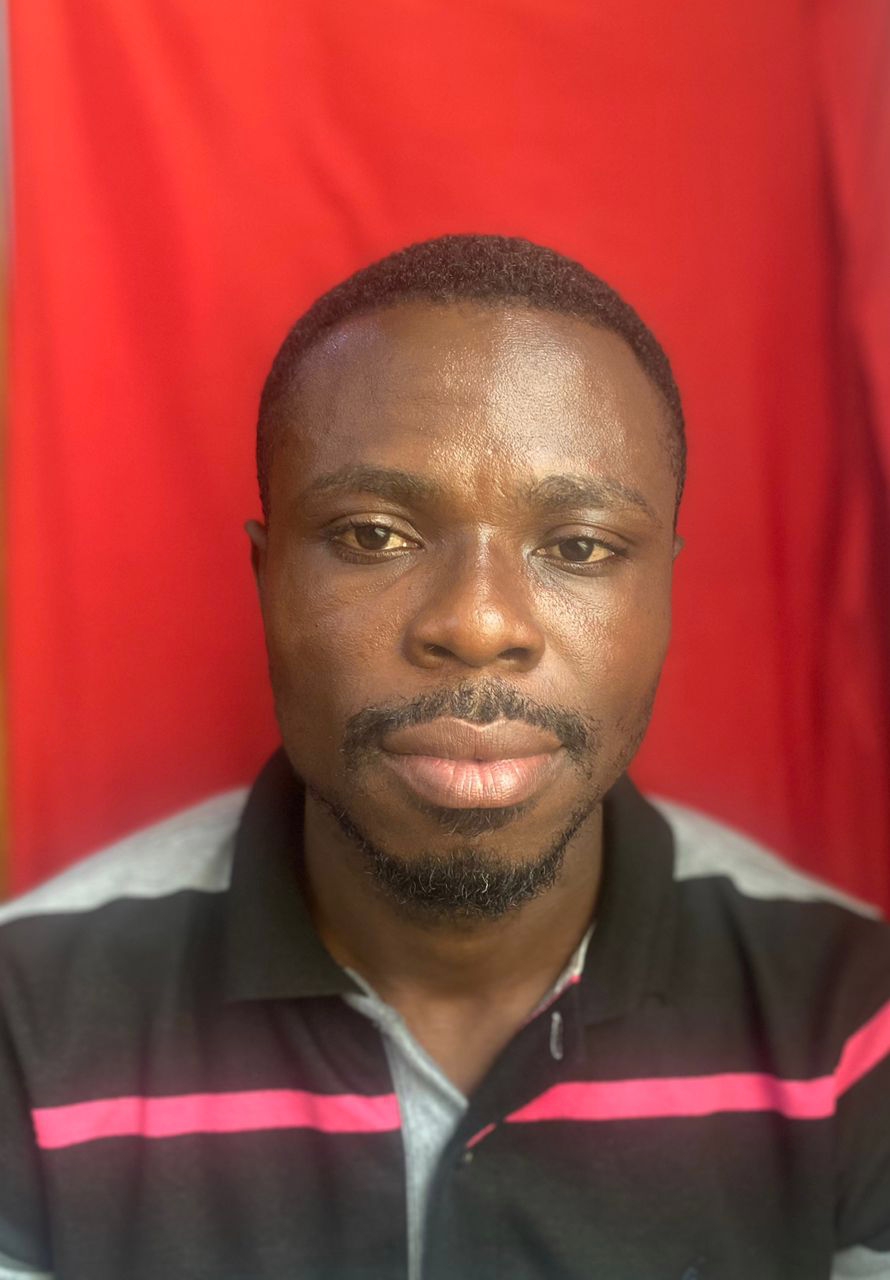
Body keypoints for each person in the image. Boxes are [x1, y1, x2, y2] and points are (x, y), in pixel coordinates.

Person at [1, 235, 888, 1280]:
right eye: (374, 535)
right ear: (265, 578)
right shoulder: (27, 1020)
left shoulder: (850, 1016)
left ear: (663, 595)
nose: (476, 623)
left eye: (579, 547)